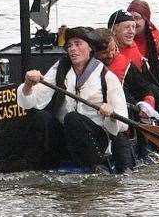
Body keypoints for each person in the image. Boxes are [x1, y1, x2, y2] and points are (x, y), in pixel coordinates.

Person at [18, 27, 130, 171]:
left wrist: (111, 114)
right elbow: (33, 101)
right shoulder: (61, 68)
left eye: (78, 44)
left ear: (90, 48)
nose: (72, 49)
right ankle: (40, 166)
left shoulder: (106, 76)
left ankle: (96, 167)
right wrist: (28, 84)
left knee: (73, 118)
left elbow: (123, 124)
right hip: (66, 136)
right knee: (42, 117)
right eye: (69, 45)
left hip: (94, 140)